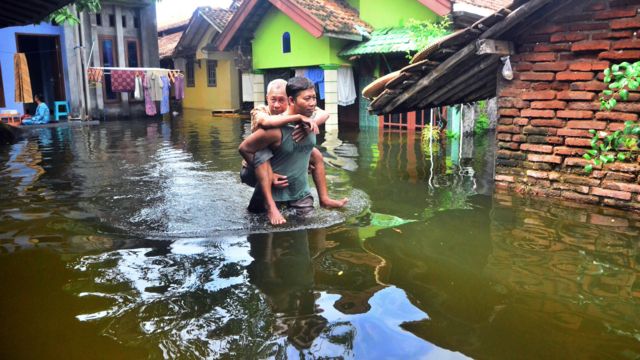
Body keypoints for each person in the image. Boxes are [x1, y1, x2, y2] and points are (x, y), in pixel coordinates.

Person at [240, 78, 347, 225]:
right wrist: (298, 117)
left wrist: (310, 124)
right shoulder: (263, 113)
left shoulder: (306, 111)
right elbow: (262, 127)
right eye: (273, 100)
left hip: (286, 160)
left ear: (288, 100)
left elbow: (324, 113)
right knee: (262, 154)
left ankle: (324, 199)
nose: (276, 105)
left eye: (281, 100)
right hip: (253, 165)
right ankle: (271, 206)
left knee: (315, 153)